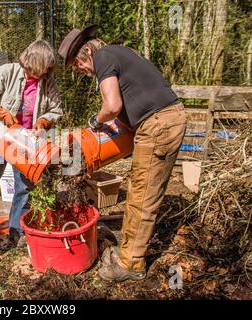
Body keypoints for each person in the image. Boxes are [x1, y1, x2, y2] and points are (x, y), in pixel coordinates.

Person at [58, 25, 187, 281]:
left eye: (77, 65)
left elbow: (113, 105)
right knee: (143, 190)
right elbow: (127, 110)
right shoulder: (120, 53)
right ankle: (129, 251)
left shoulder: (104, 56)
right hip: (162, 121)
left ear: (87, 52)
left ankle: (130, 264)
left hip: (158, 125)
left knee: (141, 197)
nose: (79, 71)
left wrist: (95, 120)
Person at [0, 39, 63, 248]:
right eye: (44, 67)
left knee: (24, 187)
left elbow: (56, 109)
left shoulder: (48, 82)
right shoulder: (6, 71)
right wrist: (3, 114)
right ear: (34, 61)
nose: (46, 71)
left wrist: (43, 121)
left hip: (27, 145)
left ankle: (17, 231)